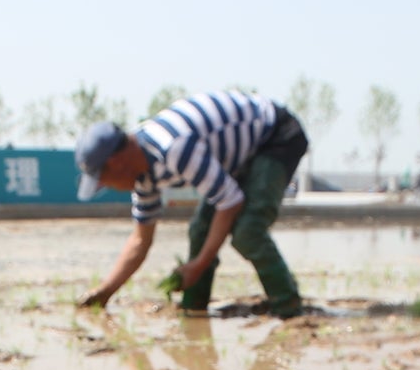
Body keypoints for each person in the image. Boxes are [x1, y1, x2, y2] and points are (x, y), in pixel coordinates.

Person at [76, 91, 307, 317]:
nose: (110, 188)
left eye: (104, 182)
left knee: (248, 231)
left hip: (274, 135)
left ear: (117, 164)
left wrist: (198, 264)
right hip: (237, 155)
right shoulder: (143, 174)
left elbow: (230, 202)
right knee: (200, 230)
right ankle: (194, 308)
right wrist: (105, 291)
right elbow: (140, 240)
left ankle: (289, 308)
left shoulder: (174, 148)